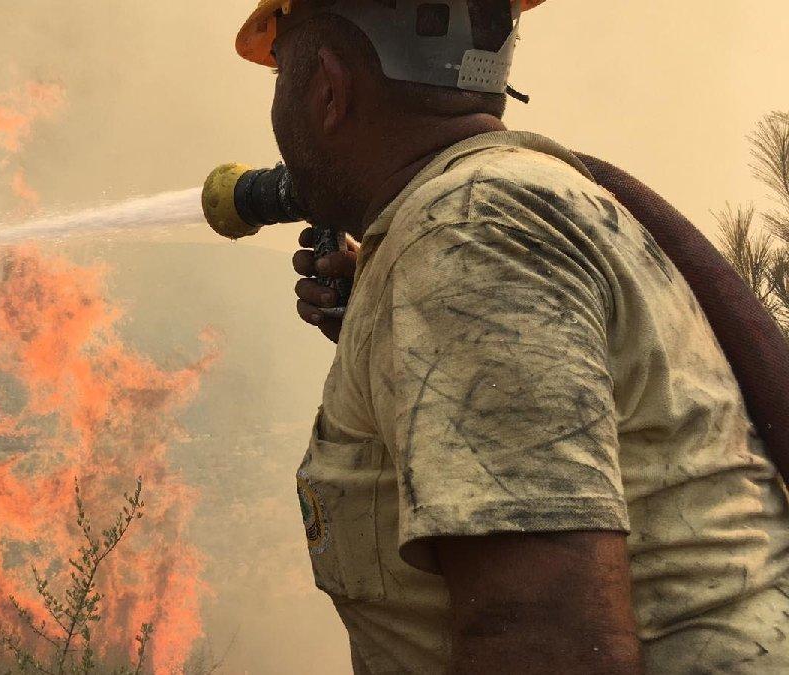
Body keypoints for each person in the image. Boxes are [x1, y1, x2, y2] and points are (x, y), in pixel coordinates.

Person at [235, 0, 789, 672]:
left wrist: (452, 304)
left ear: (328, 87)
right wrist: (407, 355)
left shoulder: (467, 237)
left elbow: (545, 641)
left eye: (279, 75)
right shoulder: (514, 204)